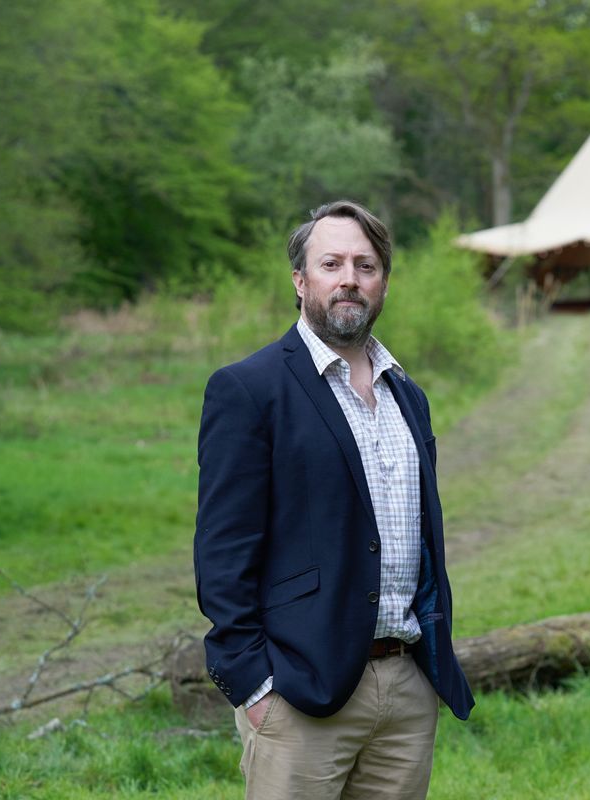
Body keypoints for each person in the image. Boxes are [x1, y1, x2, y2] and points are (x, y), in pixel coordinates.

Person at [194, 200, 474, 799]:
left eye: (365, 265)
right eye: (331, 263)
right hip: (300, 693)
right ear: (300, 281)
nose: (349, 277)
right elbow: (223, 553)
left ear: (383, 284)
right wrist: (254, 686)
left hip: (406, 688)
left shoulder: (409, 396)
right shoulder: (249, 390)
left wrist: (426, 678)